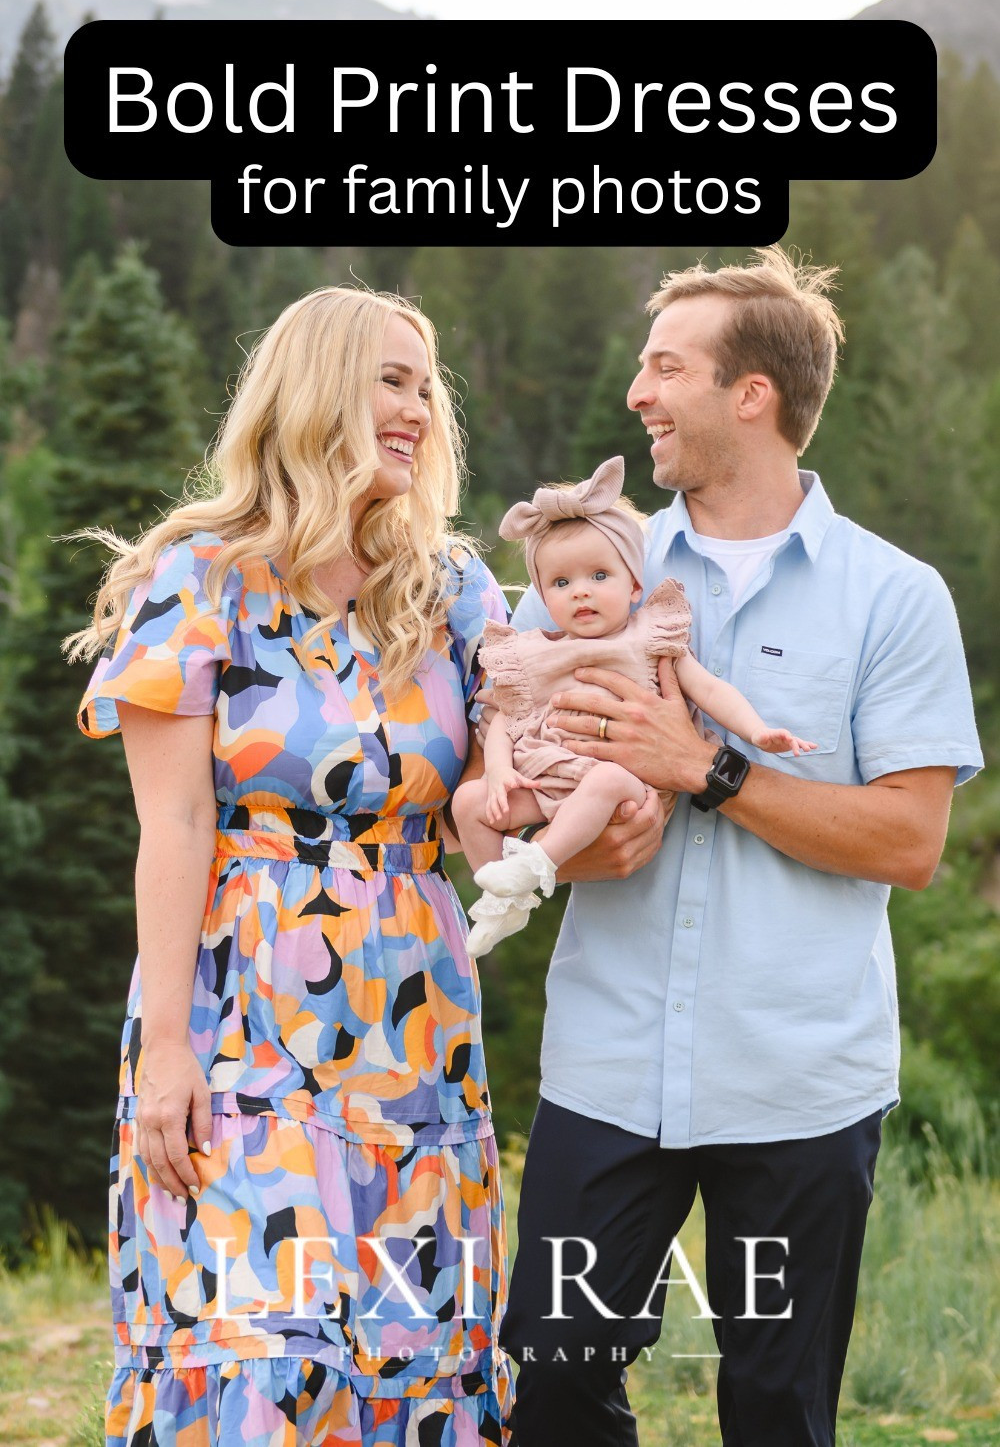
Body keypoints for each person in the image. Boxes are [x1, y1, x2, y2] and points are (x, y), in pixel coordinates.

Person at [480, 247, 983, 1447]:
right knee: (553, 1381)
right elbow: (488, 781)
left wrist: (704, 767)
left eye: (666, 369)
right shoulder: (586, 574)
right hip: (608, 1071)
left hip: (798, 1084)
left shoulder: (893, 597)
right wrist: (508, 826)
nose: (637, 395)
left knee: (773, 1411)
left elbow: (909, 843)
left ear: (749, 394)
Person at [68, 287, 513, 1446]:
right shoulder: (199, 580)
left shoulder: (456, 591)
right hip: (239, 1016)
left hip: (412, 1018)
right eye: (390, 380)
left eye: (427, 385)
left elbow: (483, 815)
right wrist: (167, 1053)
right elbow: (172, 831)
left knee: (406, 1348)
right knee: (261, 1344)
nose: (418, 409)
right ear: (317, 391)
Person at [453, 454, 814, 957]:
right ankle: (502, 902)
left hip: (626, 787)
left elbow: (709, 690)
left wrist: (756, 732)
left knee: (603, 781)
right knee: (467, 803)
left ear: (634, 585)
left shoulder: (649, 636)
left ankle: (534, 865)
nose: (581, 591)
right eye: (562, 584)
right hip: (550, 778)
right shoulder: (533, 649)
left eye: (599, 576)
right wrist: (496, 774)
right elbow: (502, 722)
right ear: (542, 596)